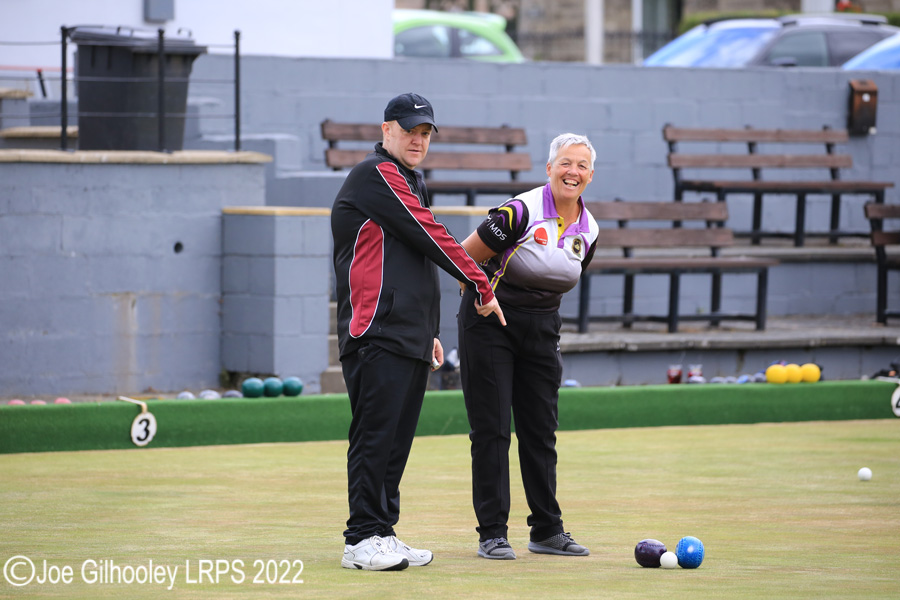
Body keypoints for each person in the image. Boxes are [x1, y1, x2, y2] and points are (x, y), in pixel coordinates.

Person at [331, 92, 506, 571]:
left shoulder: (410, 180)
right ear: (386, 130)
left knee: (396, 441)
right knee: (375, 436)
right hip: (374, 330)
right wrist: (480, 281)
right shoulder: (377, 174)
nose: (419, 139)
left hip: (406, 333)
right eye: (410, 130)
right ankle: (360, 539)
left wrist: (429, 330)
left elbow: (411, 260)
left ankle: (382, 533)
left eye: (426, 133)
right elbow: (431, 234)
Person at [457, 133, 600, 560]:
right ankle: (492, 533)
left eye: (581, 165)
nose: (572, 172)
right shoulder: (519, 212)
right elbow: (462, 257)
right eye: (565, 163)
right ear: (549, 169)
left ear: (590, 175)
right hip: (490, 322)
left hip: (542, 329)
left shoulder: (591, 229)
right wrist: (480, 291)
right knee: (493, 429)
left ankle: (547, 530)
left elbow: (561, 278)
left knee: (540, 429)